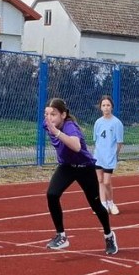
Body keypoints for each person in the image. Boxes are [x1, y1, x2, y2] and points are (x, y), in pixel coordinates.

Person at [43, 98, 118, 254]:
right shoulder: (47, 124)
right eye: (47, 114)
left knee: (96, 206)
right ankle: (61, 236)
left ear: (63, 115)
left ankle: (109, 235)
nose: (49, 118)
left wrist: (57, 132)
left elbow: (76, 146)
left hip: (85, 167)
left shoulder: (70, 127)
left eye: (53, 114)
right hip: (66, 166)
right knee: (52, 194)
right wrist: (53, 128)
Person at [93, 94, 124, 215]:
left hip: (109, 157)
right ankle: (103, 204)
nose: (106, 108)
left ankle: (111, 203)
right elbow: (96, 140)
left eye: (108, 105)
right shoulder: (98, 122)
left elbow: (119, 142)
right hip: (98, 156)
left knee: (107, 182)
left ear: (112, 107)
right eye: (103, 105)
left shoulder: (117, 123)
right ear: (100, 107)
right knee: (100, 180)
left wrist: (114, 154)